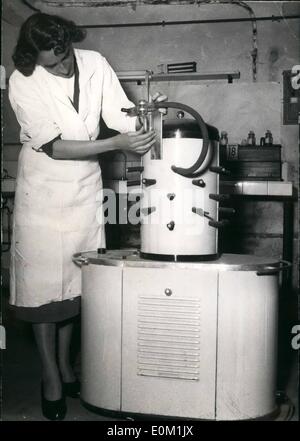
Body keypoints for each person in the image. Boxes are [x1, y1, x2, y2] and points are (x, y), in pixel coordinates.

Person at [8, 12, 161, 421]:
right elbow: (54, 147)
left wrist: (144, 118)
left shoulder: (93, 63)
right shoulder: (21, 80)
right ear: (34, 58)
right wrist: (116, 142)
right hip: (43, 191)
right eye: (52, 64)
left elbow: (118, 114)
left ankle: (67, 365)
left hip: (84, 190)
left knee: (77, 283)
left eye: (65, 57)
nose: (63, 67)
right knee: (43, 291)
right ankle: (51, 376)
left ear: (70, 43)